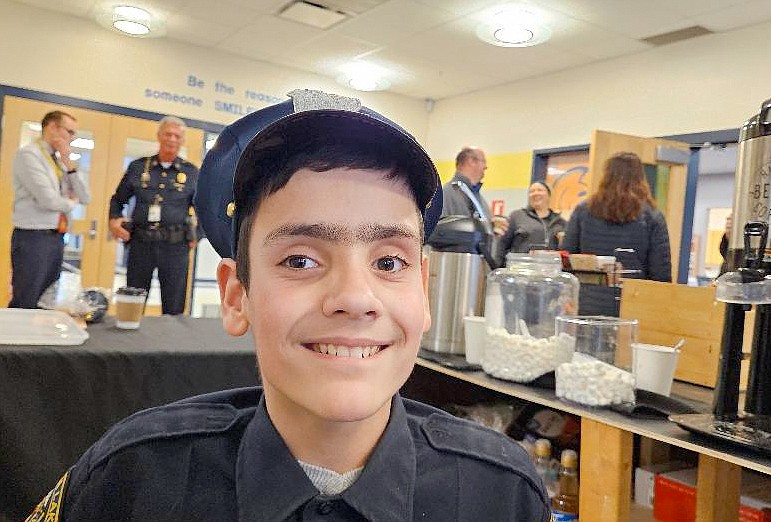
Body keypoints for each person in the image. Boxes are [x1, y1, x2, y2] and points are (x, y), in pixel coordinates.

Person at [26, 89, 550, 521]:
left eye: (390, 262)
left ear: (423, 290)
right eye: (300, 260)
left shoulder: (503, 496)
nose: (354, 298)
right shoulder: (130, 480)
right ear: (236, 296)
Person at [107, 116, 199, 315]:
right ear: (159, 136)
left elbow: (205, 209)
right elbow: (117, 200)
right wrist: (114, 220)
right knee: (134, 300)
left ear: (182, 140)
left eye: (177, 136)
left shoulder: (191, 172)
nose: (172, 139)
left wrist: (197, 236)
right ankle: (131, 342)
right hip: (141, 244)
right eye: (168, 134)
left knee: (174, 305)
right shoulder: (138, 167)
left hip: (176, 247)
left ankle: (171, 345)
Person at [8, 110, 90, 309]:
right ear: (52, 127)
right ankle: (14, 340)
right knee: (27, 298)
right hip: (33, 237)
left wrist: (70, 165)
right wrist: (71, 202)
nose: (71, 138)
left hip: (55, 237)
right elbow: (49, 201)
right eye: (69, 132)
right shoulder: (29, 155)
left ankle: (36, 339)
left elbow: (85, 197)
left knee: (45, 300)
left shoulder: (60, 161)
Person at [561, 151, 671, 282]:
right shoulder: (652, 216)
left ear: (606, 176)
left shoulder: (583, 210)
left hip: (588, 294)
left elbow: (566, 258)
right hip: (632, 296)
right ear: (640, 178)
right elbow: (661, 272)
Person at [441, 145, 509, 235]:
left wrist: (491, 227)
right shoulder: (446, 194)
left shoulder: (478, 198)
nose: (486, 167)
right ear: (471, 161)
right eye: (483, 161)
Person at [497, 180, 566, 263]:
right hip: (520, 270)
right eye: (531, 191)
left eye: (540, 190)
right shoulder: (517, 216)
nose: (535, 193)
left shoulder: (561, 223)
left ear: (549, 195)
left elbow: (567, 252)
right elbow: (502, 245)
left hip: (549, 271)